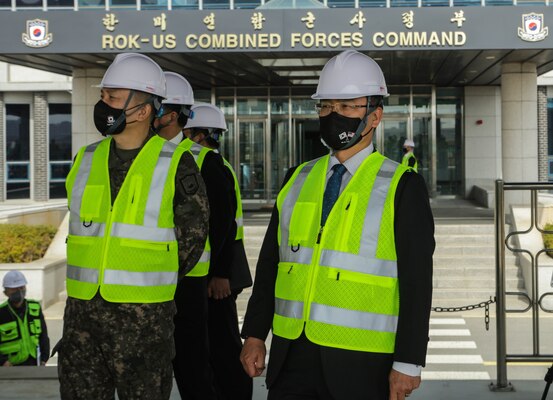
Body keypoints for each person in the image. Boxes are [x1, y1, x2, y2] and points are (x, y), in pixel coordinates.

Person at [239, 49, 434, 400]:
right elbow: (272, 262)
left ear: (375, 116)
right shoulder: (297, 178)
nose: (334, 116)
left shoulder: (402, 185)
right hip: (291, 356)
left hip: (362, 363)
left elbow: (417, 282)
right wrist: (254, 334)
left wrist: (408, 362)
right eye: (326, 107)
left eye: (347, 107)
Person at [58, 53, 209, 400]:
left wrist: (145, 278)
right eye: (103, 96)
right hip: (82, 321)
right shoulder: (86, 157)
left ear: (142, 110)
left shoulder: (177, 164)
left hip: (143, 325)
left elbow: (191, 242)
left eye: (112, 97)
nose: (103, 104)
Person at [154, 74, 218, 399]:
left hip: (189, 280)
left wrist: (221, 274)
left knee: (192, 366)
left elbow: (219, 225)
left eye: (157, 105)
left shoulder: (202, 159)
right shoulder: (140, 156)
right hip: (145, 283)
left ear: (173, 113)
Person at [183, 103, 254, 400]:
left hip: (218, 271)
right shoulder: (217, 163)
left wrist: (220, 273)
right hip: (220, 265)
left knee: (222, 345)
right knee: (215, 344)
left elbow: (222, 222)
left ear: (199, 135)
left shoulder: (207, 163)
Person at [0, 270, 49, 367]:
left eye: (21, 287)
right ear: (6, 292)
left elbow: (43, 336)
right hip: (11, 366)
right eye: (14, 289)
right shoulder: (2, 313)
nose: (19, 291)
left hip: (35, 363)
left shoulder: (34, 307)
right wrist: (2, 361)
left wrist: (44, 358)